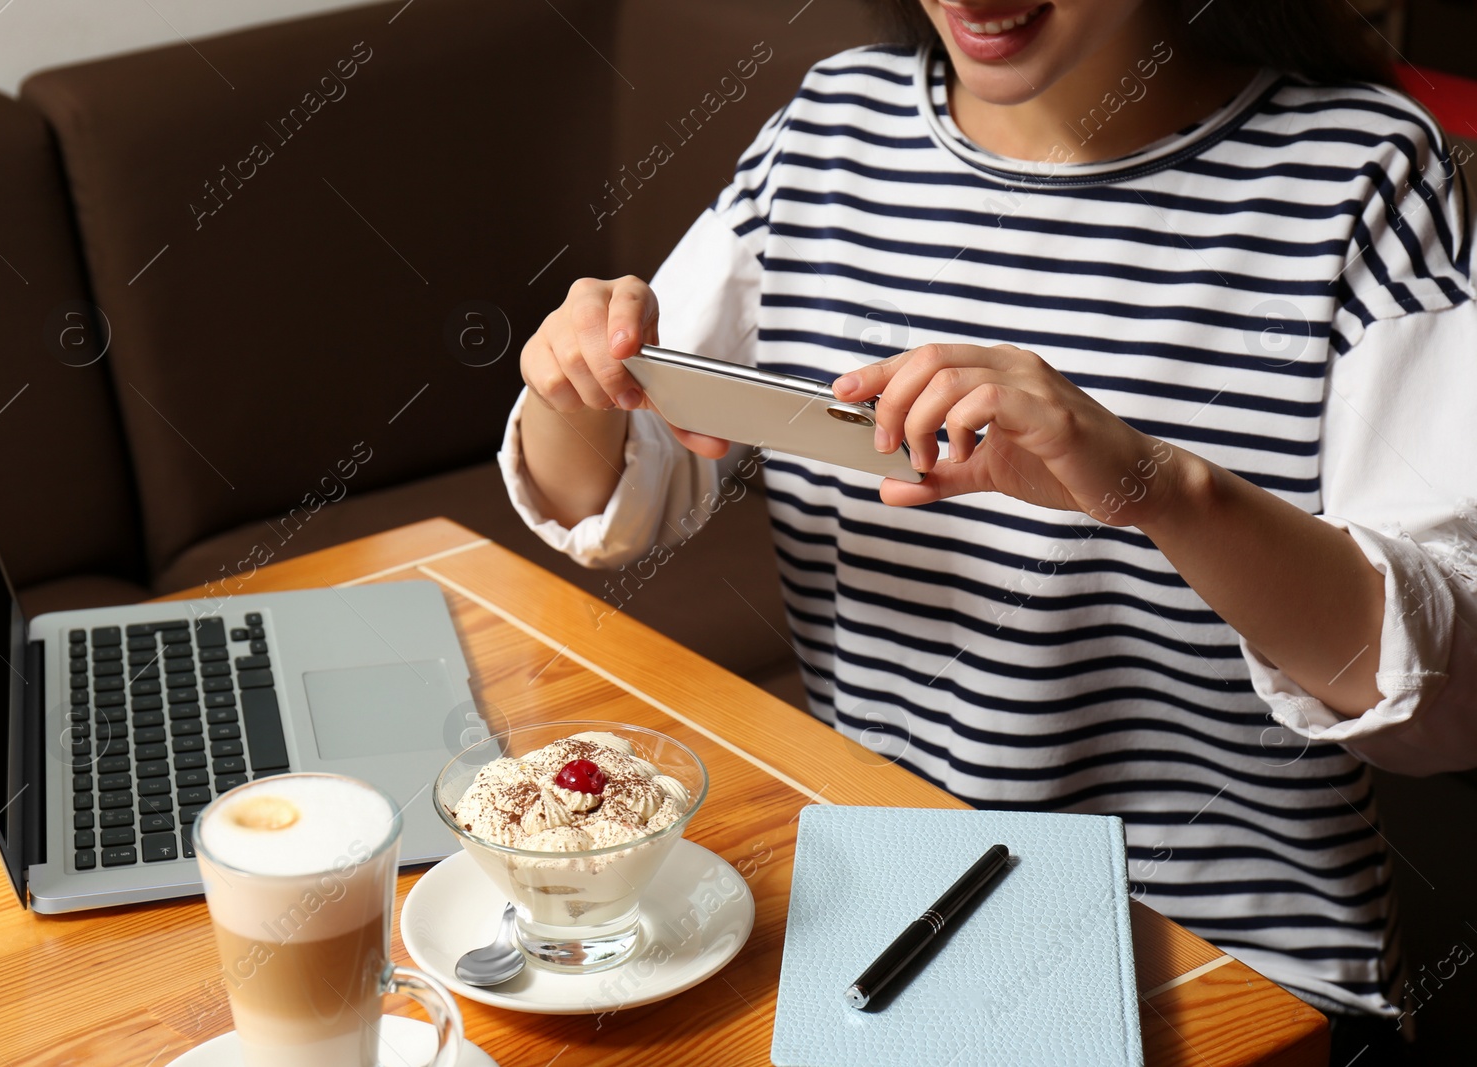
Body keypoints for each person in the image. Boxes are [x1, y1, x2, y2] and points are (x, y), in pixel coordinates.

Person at [500, 1, 1476, 1060]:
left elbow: (1446, 694)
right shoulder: (834, 122)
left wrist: (1152, 484)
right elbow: (623, 489)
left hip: (1224, 970)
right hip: (876, 925)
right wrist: (571, 381)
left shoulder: (1361, 172)